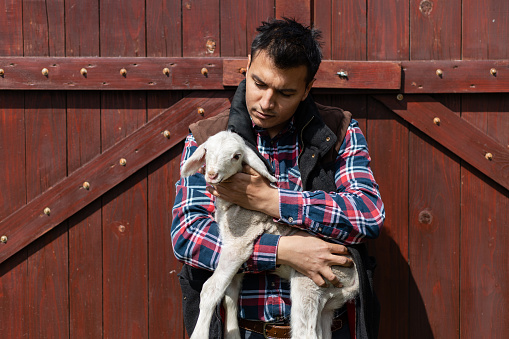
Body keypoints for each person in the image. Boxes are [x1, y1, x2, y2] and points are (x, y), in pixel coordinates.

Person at [171, 18, 385, 339]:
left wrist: (269, 200)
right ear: (247, 66)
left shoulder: (338, 131)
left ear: (307, 89)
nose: (267, 102)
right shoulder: (211, 138)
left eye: (285, 92)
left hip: (326, 328)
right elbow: (188, 236)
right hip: (240, 332)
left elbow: (367, 215)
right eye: (259, 83)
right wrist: (282, 250)